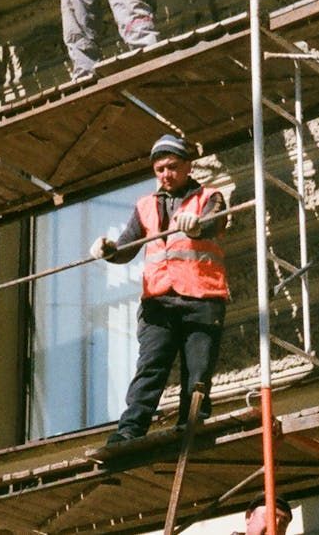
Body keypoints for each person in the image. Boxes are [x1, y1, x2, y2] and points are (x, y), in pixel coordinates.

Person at [89, 134, 228, 444]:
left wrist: (198, 223)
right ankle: (130, 430)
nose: (166, 174)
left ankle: (191, 425)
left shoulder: (210, 197)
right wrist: (109, 249)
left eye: (173, 167)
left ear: (189, 166)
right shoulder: (145, 206)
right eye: (160, 169)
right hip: (159, 301)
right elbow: (127, 246)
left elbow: (214, 222)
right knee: (150, 368)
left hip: (201, 297)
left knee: (198, 371)